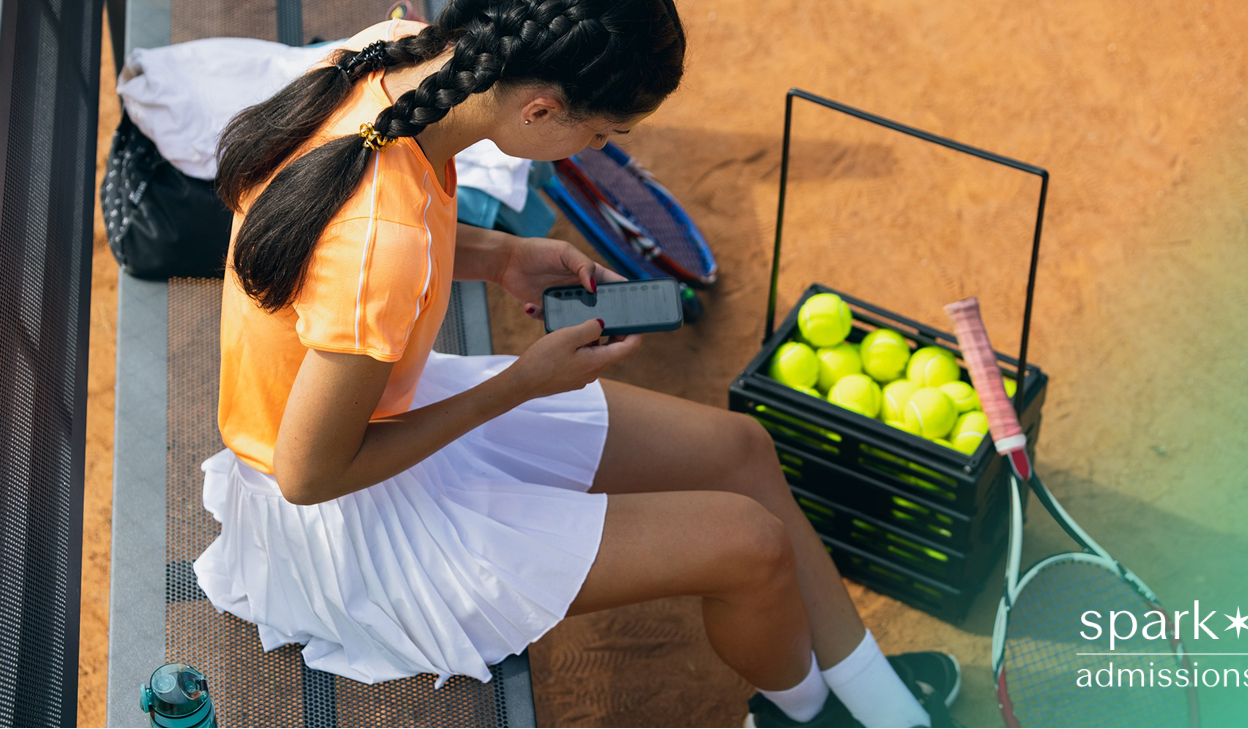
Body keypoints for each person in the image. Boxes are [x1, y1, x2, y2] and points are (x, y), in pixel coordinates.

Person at [194, 1, 960, 726]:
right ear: (539, 110)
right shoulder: (379, 243)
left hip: (372, 417)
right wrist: (520, 383)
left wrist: (503, 257)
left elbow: (364, 243)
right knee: (749, 547)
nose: (599, 149)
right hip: (347, 535)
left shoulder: (393, 53)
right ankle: (803, 712)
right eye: (601, 134)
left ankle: (887, 707)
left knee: (742, 448)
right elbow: (307, 474)